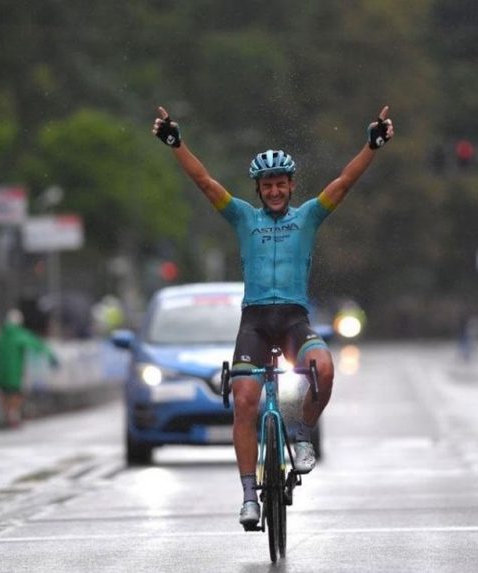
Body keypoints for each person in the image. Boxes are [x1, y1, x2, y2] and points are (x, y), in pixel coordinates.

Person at [153, 104, 394, 527]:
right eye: (269, 185)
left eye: (282, 184)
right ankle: (249, 496)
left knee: (324, 368)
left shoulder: (309, 217)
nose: (276, 191)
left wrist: (372, 145)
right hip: (255, 324)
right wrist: (176, 143)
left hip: (294, 320)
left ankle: (300, 434)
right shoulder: (243, 217)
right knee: (244, 402)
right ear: (259, 188)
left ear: (291, 185)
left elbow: (345, 181)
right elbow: (204, 182)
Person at [0, 309, 59, 428]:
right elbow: (37, 345)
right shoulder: (20, 334)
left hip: (0, 372)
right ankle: (13, 417)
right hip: (14, 372)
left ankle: (6, 416)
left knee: (4, 394)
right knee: (15, 394)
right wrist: (51, 356)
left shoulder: (1, 334)